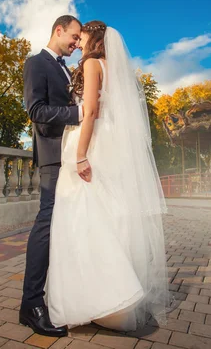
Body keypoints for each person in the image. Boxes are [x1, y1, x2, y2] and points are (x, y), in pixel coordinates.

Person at [45, 20, 170, 331]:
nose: (78, 42)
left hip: (92, 143)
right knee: (110, 216)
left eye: (82, 36)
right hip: (113, 144)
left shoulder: (91, 64)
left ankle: (100, 297)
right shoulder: (113, 67)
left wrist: (81, 155)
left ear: (93, 38)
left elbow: (89, 113)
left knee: (81, 218)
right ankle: (118, 296)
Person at [20, 15, 84, 337]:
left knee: (65, 224)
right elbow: (36, 111)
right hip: (51, 157)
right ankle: (32, 305)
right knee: (46, 223)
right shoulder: (36, 63)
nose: (76, 44)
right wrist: (79, 113)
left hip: (68, 154)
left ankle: (61, 296)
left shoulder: (65, 68)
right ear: (58, 30)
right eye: (73, 37)